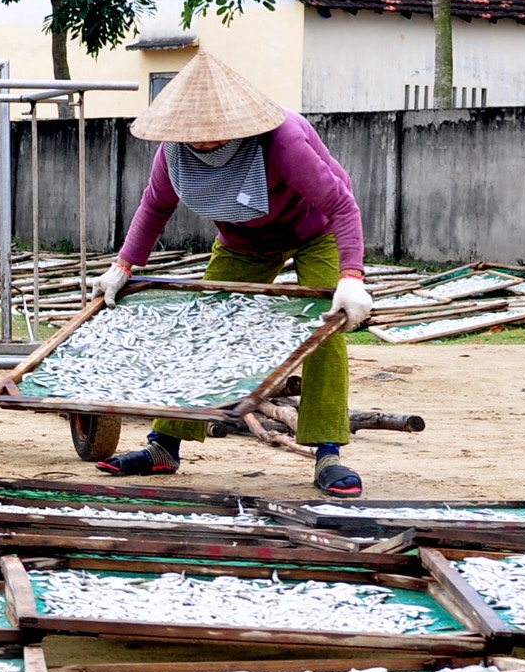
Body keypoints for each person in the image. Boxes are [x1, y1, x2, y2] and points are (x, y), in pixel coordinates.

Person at [89, 54, 373, 497]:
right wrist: (122, 267)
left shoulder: (283, 141)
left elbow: (341, 206)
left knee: (326, 330)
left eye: (211, 132)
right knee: (200, 328)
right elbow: (154, 207)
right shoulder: (173, 155)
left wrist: (351, 276)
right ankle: (164, 446)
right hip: (243, 241)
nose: (202, 141)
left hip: (315, 231)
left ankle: (328, 453)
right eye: (192, 134)